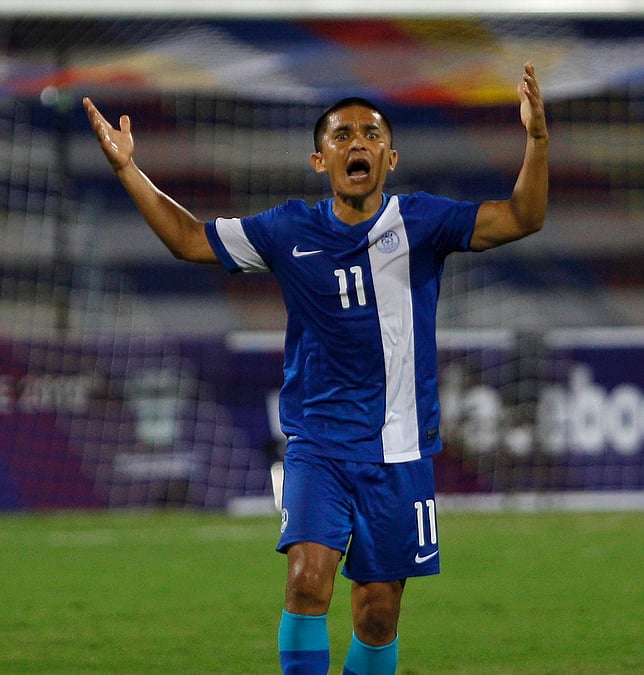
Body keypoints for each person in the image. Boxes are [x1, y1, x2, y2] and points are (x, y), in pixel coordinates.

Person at [84, 61, 548, 674]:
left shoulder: (423, 222)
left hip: (399, 449)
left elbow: (523, 217)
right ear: (320, 161)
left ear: (392, 158)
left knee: (377, 613)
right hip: (318, 445)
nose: (358, 142)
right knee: (307, 580)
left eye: (372, 134)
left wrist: (537, 141)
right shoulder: (287, 229)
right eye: (342, 135)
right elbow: (190, 240)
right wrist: (128, 169)